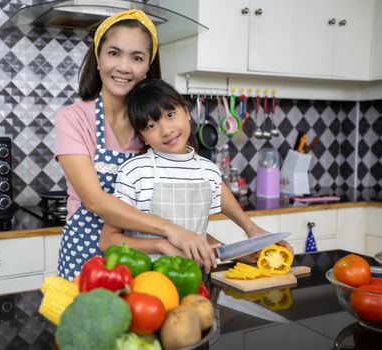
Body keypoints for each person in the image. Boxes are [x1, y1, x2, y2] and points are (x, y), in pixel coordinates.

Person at [55, 9, 224, 280]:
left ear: (147, 67)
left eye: (136, 57)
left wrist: (237, 236)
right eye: (114, 53)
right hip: (85, 263)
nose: (124, 66)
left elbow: (199, 177)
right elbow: (96, 201)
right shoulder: (74, 119)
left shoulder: (151, 128)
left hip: (144, 263)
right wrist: (171, 231)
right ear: (98, 59)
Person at [99, 79, 292, 261]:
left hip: (194, 281)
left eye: (170, 115)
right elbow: (108, 241)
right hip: (146, 283)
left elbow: (197, 238)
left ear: (187, 111)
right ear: (143, 137)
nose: (166, 130)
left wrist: (243, 252)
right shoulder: (135, 172)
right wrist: (161, 244)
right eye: (151, 125)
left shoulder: (208, 171)